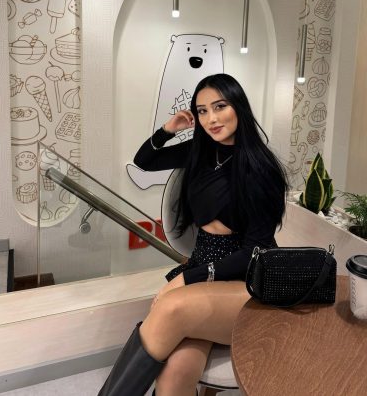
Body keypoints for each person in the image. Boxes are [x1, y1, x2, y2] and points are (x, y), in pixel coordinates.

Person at [98, 73, 288, 396]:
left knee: (170, 307)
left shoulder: (261, 169)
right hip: (204, 268)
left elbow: (254, 253)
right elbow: (144, 160)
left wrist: (187, 279)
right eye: (202, 111)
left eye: (220, 106)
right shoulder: (201, 152)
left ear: (238, 106)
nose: (211, 119)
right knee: (173, 376)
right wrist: (168, 130)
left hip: (247, 281)